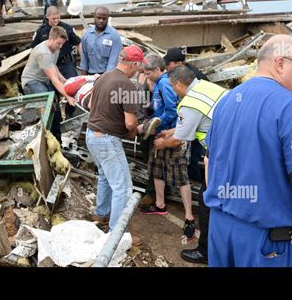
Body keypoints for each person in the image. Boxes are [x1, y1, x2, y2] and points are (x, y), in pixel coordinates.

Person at [204, 35, 292, 267]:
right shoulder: (290, 106)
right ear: (280, 63)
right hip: (265, 242)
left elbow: (209, 161)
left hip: (220, 230)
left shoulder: (227, 100)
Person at [154, 66, 228, 264]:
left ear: (179, 84)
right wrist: (170, 132)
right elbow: (194, 123)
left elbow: (180, 139)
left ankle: (206, 251)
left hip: (222, 154)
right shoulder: (205, 87)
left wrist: (161, 142)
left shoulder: (190, 104)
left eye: (172, 86)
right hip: (236, 146)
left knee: (207, 202)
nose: (171, 89)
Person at [85, 45, 148, 246]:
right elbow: (130, 123)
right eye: (139, 67)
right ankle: (116, 236)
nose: (139, 71)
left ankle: (101, 214)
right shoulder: (128, 86)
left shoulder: (105, 76)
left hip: (91, 134)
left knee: (105, 176)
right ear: (135, 64)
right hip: (106, 140)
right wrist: (136, 130)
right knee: (123, 188)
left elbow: (89, 104)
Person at [138, 54, 197, 241]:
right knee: (156, 169)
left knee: (180, 175)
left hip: (172, 134)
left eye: (148, 73)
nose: (146, 75)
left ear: (158, 70)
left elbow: (172, 111)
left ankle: (189, 217)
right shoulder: (156, 83)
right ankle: (160, 204)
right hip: (160, 134)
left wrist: (156, 123)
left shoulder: (164, 84)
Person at [21, 26, 75, 143]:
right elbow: (54, 80)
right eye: (59, 43)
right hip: (31, 81)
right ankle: (40, 142)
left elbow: (53, 65)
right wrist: (68, 96)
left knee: (55, 110)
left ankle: (57, 143)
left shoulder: (55, 48)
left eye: (62, 44)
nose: (60, 46)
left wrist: (63, 79)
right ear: (51, 39)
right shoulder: (43, 52)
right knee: (47, 106)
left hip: (43, 80)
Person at [164, 47, 208, 184]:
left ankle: (197, 185)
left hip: (203, 127)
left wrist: (163, 142)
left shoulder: (193, 77)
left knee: (193, 159)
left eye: (168, 64)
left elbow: (191, 111)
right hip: (201, 123)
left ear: (178, 64)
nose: (166, 68)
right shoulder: (186, 73)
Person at [30, 6, 81, 79]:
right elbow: (33, 49)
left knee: (73, 84)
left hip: (66, 64)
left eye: (58, 18)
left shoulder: (67, 28)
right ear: (47, 17)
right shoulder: (41, 31)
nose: (56, 20)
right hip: (49, 65)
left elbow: (78, 43)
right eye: (53, 18)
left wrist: (83, 62)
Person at [81, 6, 122, 75]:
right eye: (98, 18)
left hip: (107, 74)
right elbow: (84, 58)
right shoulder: (87, 34)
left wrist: (105, 79)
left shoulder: (114, 35)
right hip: (90, 74)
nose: (101, 21)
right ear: (94, 17)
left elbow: (113, 62)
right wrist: (84, 77)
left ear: (108, 19)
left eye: (104, 19)